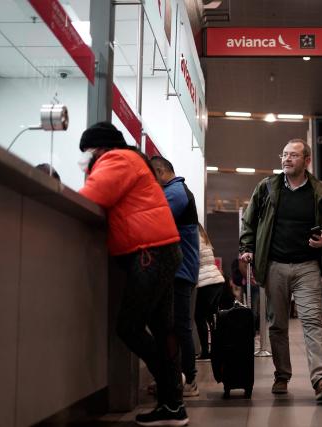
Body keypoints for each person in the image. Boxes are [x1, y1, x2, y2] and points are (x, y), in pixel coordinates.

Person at [77, 122, 187, 426]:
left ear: (98, 148)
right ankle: (173, 405)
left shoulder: (117, 160)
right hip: (161, 251)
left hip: (149, 253)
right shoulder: (131, 159)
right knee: (163, 329)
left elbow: (92, 196)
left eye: (87, 153)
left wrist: (88, 171)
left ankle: (168, 392)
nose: (86, 159)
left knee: (129, 327)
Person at [239, 138, 322, 401]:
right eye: (284, 154)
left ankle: (321, 378)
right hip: (274, 264)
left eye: (293, 155)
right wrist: (246, 247)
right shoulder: (267, 188)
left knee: (312, 321)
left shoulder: (320, 192)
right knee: (277, 324)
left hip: (307, 266)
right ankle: (282, 375)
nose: (286, 159)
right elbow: (249, 220)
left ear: (306, 161)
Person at [150, 156, 200, 398]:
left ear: (160, 172)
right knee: (171, 326)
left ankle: (189, 380)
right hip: (178, 270)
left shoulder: (176, 192)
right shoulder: (177, 190)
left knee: (180, 327)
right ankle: (174, 377)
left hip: (180, 271)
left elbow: (153, 219)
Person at [194, 224, 225, 361]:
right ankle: (216, 350)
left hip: (207, 281)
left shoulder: (193, 235)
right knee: (211, 317)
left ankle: (206, 351)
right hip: (216, 279)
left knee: (199, 316)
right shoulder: (203, 234)